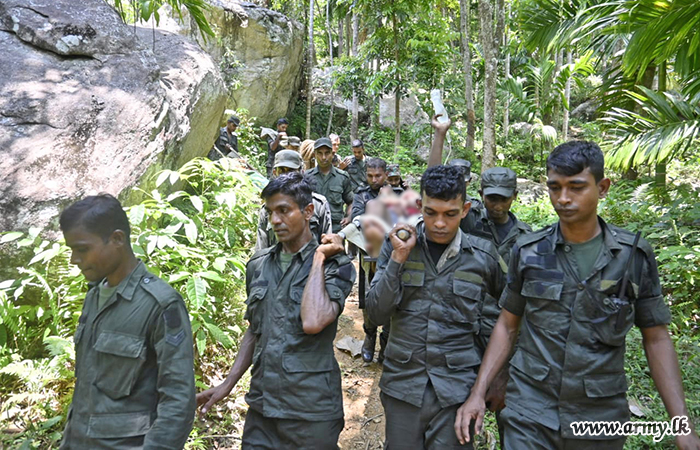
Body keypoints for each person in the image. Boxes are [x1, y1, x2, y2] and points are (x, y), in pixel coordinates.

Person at [455, 141, 700, 449]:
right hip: (530, 410)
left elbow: (656, 337)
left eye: (576, 187)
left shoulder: (632, 257)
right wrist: (479, 392)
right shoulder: (529, 252)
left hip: (598, 417)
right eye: (555, 188)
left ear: (603, 187)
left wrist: (681, 423)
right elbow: (507, 324)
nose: (564, 198)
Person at [197, 173, 356, 449]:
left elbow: (314, 320)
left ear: (308, 212)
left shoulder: (335, 265)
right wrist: (228, 384)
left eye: (284, 210)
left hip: (311, 412)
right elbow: (255, 330)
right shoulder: (258, 265)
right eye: (270, 212)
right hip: (262, 409)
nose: (275, 220)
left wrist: (318, 257)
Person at [366, 165, 506, 449]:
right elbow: (375, 313)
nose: (440, 223)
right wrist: (397, 259)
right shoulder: (397, 245)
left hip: (458, 391)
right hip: (403, 386)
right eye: (431, 213)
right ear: (419, 207)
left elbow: (508, 321)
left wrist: (497, 378)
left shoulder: (483, 256)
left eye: (450, 214)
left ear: (465, 209)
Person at [58, 194, 195, 449]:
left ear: (117, 239)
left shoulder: (160, 304)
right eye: (72, 250)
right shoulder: (94, 296)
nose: (74, 260)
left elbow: (178, 400)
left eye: (82, 249)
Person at [256, 150, 333, 250]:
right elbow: (261, 250)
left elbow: (326, 245)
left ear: (302, 171)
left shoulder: (318, 204)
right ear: (275, 173)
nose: (286, 176)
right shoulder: (268, 209)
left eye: (291, 171)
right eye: (282, 171)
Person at [462, 167, 532, 265]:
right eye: (492, 199)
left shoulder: (524, 234)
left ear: (515, 195)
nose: (498, 206)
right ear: (481, 195)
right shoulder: (469, 220)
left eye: (504, 199)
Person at [306, 137, 354, 233]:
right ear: (314, 155)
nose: (323, 157)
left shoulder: (342, 177)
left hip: (335, 229)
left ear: (332, 154)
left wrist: (348, 217)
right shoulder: (307, 177)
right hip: (312, 229)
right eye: (320, 153)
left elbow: (351, 201)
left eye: (327, 153)